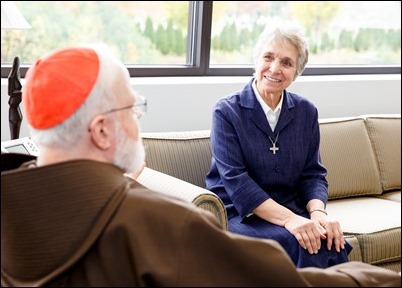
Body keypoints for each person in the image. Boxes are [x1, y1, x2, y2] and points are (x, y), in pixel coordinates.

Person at [1, 44, 400, 287]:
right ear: (102, 130)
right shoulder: (161, 224)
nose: (139, 118)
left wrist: (314, 211)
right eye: (134, 106)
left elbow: (315, 173)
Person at [205, 19, 351, 269]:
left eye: (286, 62)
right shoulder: (227, 112)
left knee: (330, 240)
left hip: (290, 208)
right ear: (256, 60)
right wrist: (291, 220)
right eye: (268, 57)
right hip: (241, 213)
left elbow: (313, 175)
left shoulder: (306, 112)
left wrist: (318, 214)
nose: (274, 68)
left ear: (297, 72)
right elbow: (237, 182)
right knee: (300, 243)